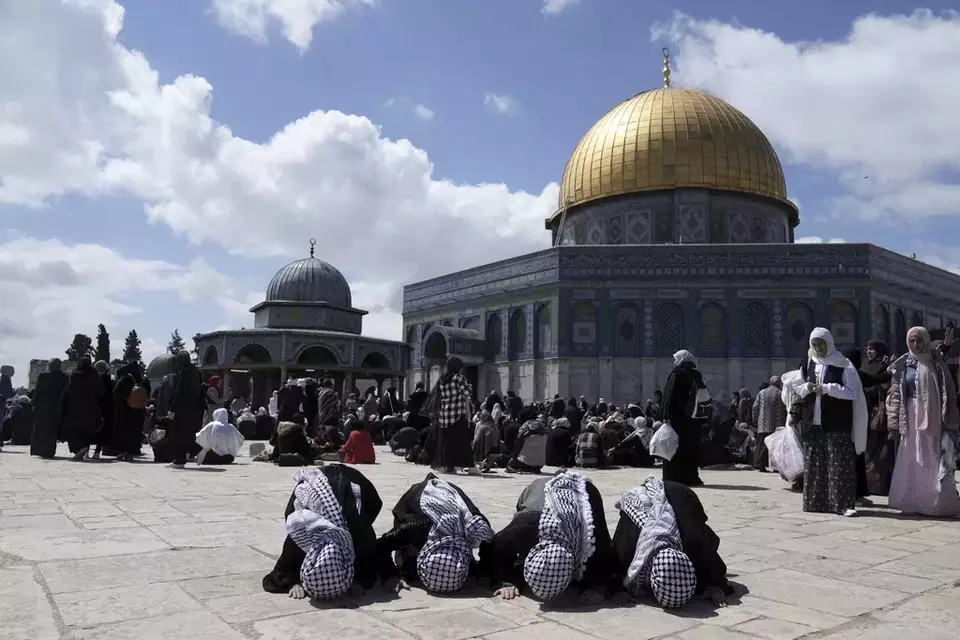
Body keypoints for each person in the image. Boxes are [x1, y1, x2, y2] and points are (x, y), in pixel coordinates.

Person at [481, 472, 622, 604]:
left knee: (592, 555)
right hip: (537, 490)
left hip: (582, 490)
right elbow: (495, 547)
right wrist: (507, 581)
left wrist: (600, 586)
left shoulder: (589, 529)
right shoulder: (523, 526)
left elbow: (606, 551)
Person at [262, 465, 401, 600]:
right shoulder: (300, 525)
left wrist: (359, 579)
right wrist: (293, 582)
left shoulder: (358, 528)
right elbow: (283, 566)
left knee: (359, 535)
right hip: (312, 485)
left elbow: (373, 551)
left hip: (354, 480)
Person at [612, 476, 731, 609]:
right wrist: (619, 589)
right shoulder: (628, 549)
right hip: (643, 500)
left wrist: (714, 587)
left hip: (682, 496)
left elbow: (713, 567)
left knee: (696, 529)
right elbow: (613, 565)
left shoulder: (696, 546)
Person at [886, 327, 960, 517]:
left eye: (919, 341)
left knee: (933, 456)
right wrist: (893, 422)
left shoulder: (936, 364)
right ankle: (911, 502)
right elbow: (894, 396)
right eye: (912, 341)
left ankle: (935, 503)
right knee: (912, 457)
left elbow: (949, 394)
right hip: (910, 419)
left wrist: (950, 422)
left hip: (934, 420)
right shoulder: (904, 365)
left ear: (926, 341)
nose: (916, 345)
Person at [793, 328, 867, 517]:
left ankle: (843, 505)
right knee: (815, 464)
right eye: (814, 345)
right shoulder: (809, 362)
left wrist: (827, 388)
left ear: (830, 343)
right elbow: (797, 386)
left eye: (821, 344)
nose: (817, 348)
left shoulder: (843, 364)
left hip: (836, 421)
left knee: (839, 464)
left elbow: (852, 392)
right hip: (813, 422)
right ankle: (816, 503)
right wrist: (807, 387)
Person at [377, 474, 493, 593]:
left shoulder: (476, 527)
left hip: (450, 493)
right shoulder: (413, 528)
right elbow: (381, 545)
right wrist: (390, 575)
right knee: (408, 567)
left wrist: (498, 580)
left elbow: (492, 546)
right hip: (416, 497)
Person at [423, 357, 480, 475]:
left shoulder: (442, 379)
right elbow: (468, 392)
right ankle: (470, 466)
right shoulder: (458, 378)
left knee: (448, 443)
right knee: (463, 441)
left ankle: (449, 466)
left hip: (444, 416)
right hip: (458, 414)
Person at [661, 350, 705, 487]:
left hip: (677, 418)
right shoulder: (697, 374)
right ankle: (691, 477)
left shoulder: (677, 374)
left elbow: (670, 395)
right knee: (690, 448)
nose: (674, 362)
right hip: (693, 419)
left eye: (675, 359)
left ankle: (673, 478)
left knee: (673, 447)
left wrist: (666, 415)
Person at [861, 340, 895, 496]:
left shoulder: (887, 366)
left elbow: (884, 386)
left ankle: (882, 485)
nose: (869, 352)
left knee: (882, 451)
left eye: (872, 349)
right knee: (869, 450)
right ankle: (871, 484)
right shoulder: (866, 366)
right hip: (867, 414)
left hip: (880, 415)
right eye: (867, 349)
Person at [59, 358, 104, 461]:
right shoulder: (96, 376)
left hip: (76, 408)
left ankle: (79, 449)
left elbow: (69, 391)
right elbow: (100, 391)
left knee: (73, 430)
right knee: (86, 430)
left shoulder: (75, 376)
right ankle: (83, 448)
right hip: (91, 408)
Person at [166, 351, 205, 468]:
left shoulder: (184, 373)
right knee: (185, 434)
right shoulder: (195, 371)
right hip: (193, 409)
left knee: (177, 434)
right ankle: (179, 459)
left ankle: (196, 450)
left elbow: (179, 393)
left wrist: (172, 408)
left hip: (183, 409)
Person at [31, 359, 69, 458]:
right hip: (57, 407)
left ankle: (39, 450)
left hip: (43, 407)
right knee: (52, 431)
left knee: (41, 429)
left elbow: (38, 391)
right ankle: (49, 451)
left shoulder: (43, 376)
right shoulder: (64, 378)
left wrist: (34, 403)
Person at [113, 360, 148, 461]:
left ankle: (123, 451)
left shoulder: (126, 379)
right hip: (137, 411)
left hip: (126, 411)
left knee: (124, 431)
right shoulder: (139, 381)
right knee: (134, 432)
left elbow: (117, 393)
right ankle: (130, 453)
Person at [752, 377, 787, 472]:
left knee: (762, 445)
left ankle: (761, 465)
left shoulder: (762, 393)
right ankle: (775, 467)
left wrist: (756, 420)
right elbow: (785, 408)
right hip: (777, 425)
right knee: (776, 448)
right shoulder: (781, 393)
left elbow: (755, 407)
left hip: (763, 424)